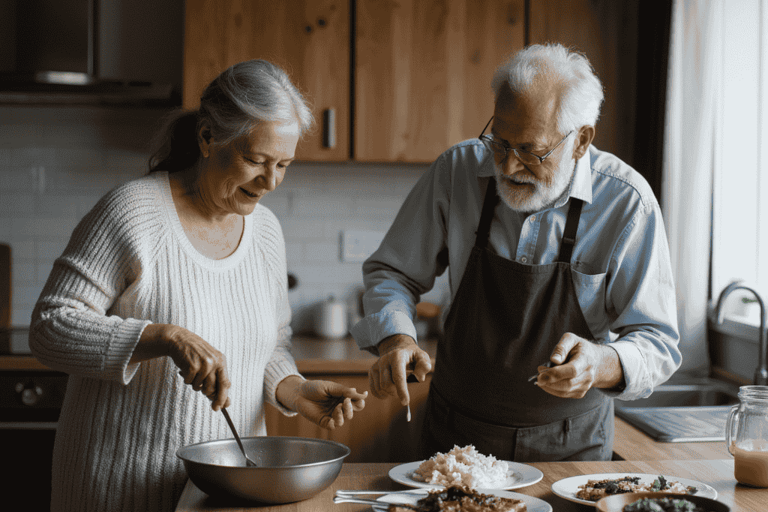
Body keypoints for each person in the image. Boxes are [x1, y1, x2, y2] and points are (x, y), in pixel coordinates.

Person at [29, 59, 367, 512]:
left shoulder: (265, 232)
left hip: (222, 496)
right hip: (116, 489)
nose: (271, 182)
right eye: (255, 160)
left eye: (284, 164)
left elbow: (270, 345)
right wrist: (162, 337)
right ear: (208, 137)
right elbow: (49, 327)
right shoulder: (132, 213)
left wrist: (293, 388)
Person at [351, 43, 681, 462]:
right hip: (456, 440)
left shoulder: (626, 203)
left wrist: (600, 363)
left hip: (570, 448)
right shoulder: (458, 172)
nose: (507, 166)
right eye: (500, 142)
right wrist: (396, 340)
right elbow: (392, 272)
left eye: (531, 150)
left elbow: (658, 342)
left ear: (580, 141)